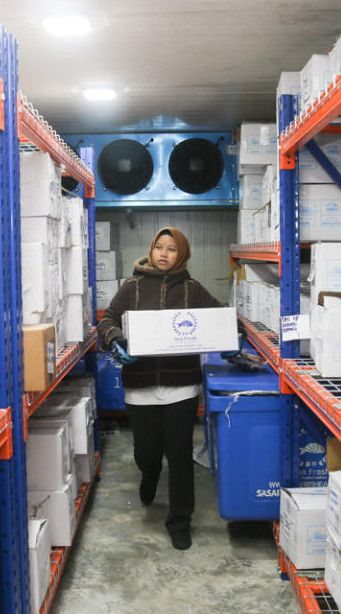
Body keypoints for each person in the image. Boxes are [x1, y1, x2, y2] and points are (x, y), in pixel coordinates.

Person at [97, 226, 226, 551]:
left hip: (181, 387)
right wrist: (115, 341)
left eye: (171, 249)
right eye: (159, 247)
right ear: (151, 250)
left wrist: (231, 333)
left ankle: (180, 521)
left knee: (180, 457)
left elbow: (220, 319)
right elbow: (106, 320)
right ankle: (150, 473)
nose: (164, 253)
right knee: (147, 452)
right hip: (139, 386)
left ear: (181, 255)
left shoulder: (192, 290)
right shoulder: (132, 287)